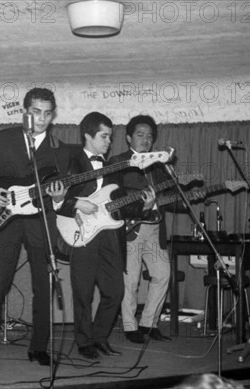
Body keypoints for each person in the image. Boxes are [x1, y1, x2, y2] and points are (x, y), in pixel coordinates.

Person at [0, 88, 72, 366]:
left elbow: (62, 195)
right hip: (7, 218)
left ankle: (39, 347)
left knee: (44, 283)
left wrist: (60, 197)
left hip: (40, 220)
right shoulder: (3, 138)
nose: (41, 119)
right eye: (36, 112)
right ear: (25, 112)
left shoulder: (59, 150)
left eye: (47, 113)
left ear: (53, 116)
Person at [57, 112, 153, 359]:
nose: (109, 141)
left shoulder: (113, 167)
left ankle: (100, 338)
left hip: (111, 234)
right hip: (82, 232)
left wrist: (144, 205)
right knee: (83, 293)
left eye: (111, 136)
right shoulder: (70, 161)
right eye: (104, 136)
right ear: (88, 136)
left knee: (115, 291)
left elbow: (119, 203)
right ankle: (84, 342)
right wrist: (75, 203)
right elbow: (54, 198)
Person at [109, 114, 172, 344]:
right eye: (140, 135)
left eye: (149, 136)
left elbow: (167, 197)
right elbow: (113, 196)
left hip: (155, 229)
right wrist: (139, 205)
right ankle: (129, 325)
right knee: (131, 280)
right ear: (128, 137)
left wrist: (190, 196)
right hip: (130, 228)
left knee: (163, 274)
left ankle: (149, 323)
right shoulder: (119, 161)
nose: (145, 140)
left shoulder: (159, 164)